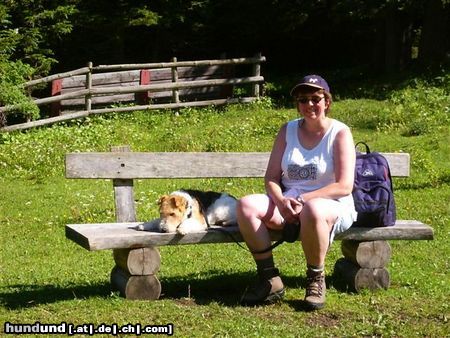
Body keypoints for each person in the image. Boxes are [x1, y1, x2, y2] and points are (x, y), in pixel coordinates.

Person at [237, 75, 357, 310]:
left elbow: (344, 185)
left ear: (327, 102)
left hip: (331, 204)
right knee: (246, 205)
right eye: (303, 100)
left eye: (315, 98)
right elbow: (271, 177)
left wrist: (304, 199)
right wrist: (282, 201)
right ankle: (269, 279)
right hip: (289, 203)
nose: (309, 105)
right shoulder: (287, 131)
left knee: (312, 209)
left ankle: (315, 279)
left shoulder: (340, 133)